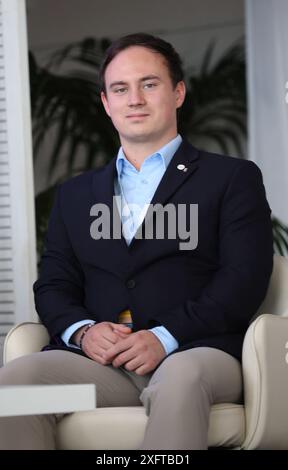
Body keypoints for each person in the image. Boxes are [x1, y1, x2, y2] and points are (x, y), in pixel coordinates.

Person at [0, 32, 273, 450]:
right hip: (103, 374)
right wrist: (83, 331)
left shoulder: (232, 178)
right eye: (120, 89)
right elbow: (54, 285)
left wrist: (165, 336)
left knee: (179, 380)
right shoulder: (75, 196)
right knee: (19, 383)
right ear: (106, 104)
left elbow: (244, 278)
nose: (135, 99)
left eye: (149, 84)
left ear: (178, 92)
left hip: (197, 357)